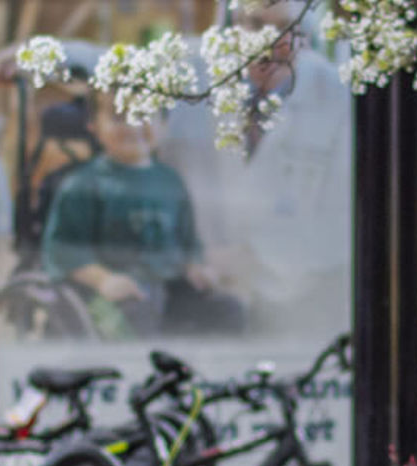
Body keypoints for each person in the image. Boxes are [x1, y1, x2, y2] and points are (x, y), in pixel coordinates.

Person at [159, 0, 353, 338]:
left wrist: (254, 260)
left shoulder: (335, 97)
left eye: (284, 28)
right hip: (198, 298)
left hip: (299, 307)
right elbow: (96, 63)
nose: (269, 40)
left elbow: (342, 223)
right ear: (231, 27)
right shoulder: (189, 76)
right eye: (255, 24)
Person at [41, 93, 247, 338]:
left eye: (144, 115)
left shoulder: (170, 181)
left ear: (163, 124)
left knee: (229, 310)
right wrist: (104, 280)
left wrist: (196, 268)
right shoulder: (84, 185)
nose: (132, 125)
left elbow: (188, 242)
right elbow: (63, 250)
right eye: (119, 117)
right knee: (138, 316)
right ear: (93, 126)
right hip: (112, 297)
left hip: (171, 290)